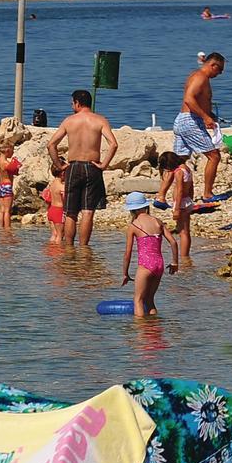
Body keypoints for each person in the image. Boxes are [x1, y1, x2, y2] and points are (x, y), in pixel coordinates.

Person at [48, 90, 117, 248]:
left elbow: (51, 144)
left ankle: (69, 248)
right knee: (88, 211)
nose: (72, 106)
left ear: (77, 103)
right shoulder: (100, 120)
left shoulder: (69, 121)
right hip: (92, 166)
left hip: (73, 166)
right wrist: (104, 165)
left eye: (72, 103)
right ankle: (84, 248)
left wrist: (59, 165)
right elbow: (113, 144)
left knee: (71, 211)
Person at [172, 53, 227, 196]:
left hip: (182, 120)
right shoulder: (200, 77)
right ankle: (208, 194)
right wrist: (205, 117)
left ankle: (162, 196)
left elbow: (198, 101)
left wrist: (211, 116)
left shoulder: (198, 76)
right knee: (214, 156)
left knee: (178, 160)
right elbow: (189, 99)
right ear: (213, 65)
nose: (220, 73)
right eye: (220, 69)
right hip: (190, 121)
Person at [120, 192, 176, 317]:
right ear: (145, 206)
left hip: (145, 265)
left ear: (132, 210)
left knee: (138, 300)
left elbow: (127, 253)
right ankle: (154, 327)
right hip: (159, 265)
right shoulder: (158, 222)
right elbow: (173, 242)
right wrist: (175, 262)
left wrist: (125, 273)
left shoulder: (134, 225)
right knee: (149, 300)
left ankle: (140, 328)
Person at [156, 151, 195, 265]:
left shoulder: (179, 172)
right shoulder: (187, 169)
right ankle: (185, 256)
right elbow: (191, 186)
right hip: (187, 201)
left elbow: (180, 190)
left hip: (181, 203)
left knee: (183, 232)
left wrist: (177, 209)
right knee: (184, 230)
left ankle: (184, 257)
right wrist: (191, 199)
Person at [0, 150, 21, 229]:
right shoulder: (6, 163)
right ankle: (7, 229)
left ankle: (1, 228)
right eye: (12, 150)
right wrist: (16, 164)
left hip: (1, 186)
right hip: (7, 186)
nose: (12, 152)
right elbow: (15, 171)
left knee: (2, 210)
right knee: (7, 210)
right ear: (7, 150)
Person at [41, 163, 68, 245]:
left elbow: (45, 195)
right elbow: (66, 198)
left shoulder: (52, 184)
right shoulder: (61, 186)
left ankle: (51, 250)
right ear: (63, 173)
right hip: (59, 211)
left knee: (54, 234)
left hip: (51, 210)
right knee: (60, 235)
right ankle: (59, 251)